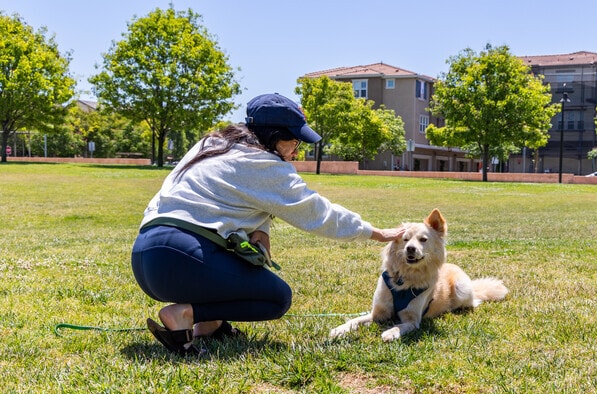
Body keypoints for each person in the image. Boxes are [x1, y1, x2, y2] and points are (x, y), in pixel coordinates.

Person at [131, 93, 405, 355]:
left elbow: (228, 195)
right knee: (276, 297)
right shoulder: (265, 164)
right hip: (182, 257)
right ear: (274, 138)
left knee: (239, 272)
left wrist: (260, 227)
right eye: (294, 142)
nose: (296, 152)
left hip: (146, 255)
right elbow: (316, 212)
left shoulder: (211, 145)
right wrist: (375, 232)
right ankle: (184, 315)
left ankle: (210, 325)